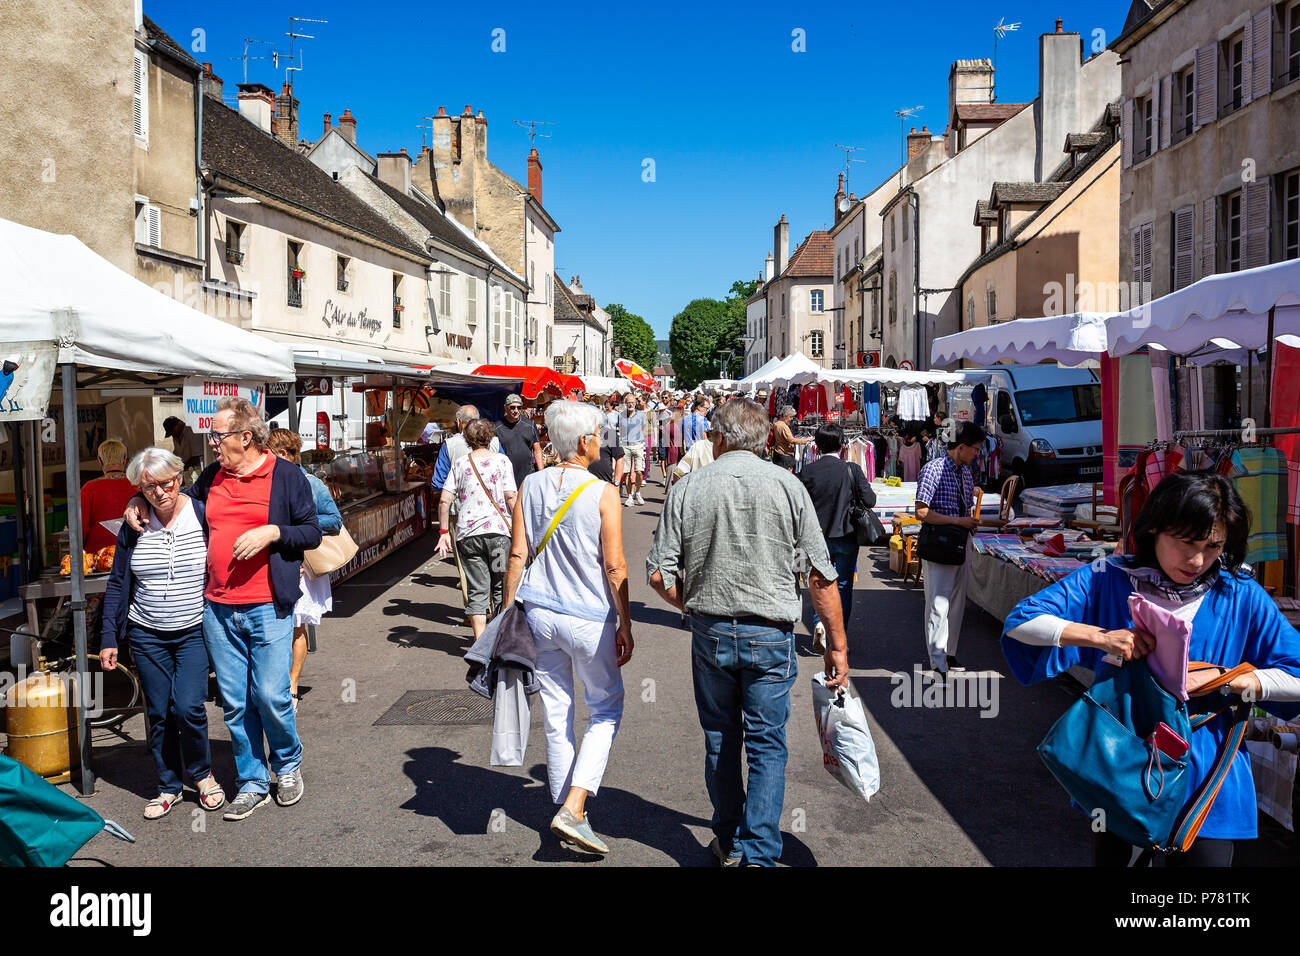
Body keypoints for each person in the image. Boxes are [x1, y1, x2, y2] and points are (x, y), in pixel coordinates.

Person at [1003, 471, 1300, 867]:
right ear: (1155, 529)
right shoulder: (1109, 577)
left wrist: (1236, 680)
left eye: (1213, 546)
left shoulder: (1241, 594)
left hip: (1208, 779)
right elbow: (1021, 624)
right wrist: (1099, 637)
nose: (1197, 560)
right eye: (1186, 542)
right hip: (1121, 765)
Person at [647, 399, 849, 867]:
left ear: (718, 438)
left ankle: (728, 840)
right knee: (767, 745)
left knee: (720, 737)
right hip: (771, 633)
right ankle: (759, 854)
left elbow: (659, 574)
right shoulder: (788, 486)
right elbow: (821, 576)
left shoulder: (688, 487)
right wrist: (836, 646)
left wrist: (692, 606)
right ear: (762, 441)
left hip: (711, 630)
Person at [125, 396, 322, 821]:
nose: (211, 441)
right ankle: (251, 781)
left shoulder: (287, 476)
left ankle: (287, 765)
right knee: (234, 701)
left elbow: (311, 532)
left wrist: (272, 532)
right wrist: (138, 501)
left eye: (217, 434)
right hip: (216, 607)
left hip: (268, 604)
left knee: (270, 694)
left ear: (245, 437)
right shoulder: (212, 475)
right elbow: (173, 503)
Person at [502, 400, 633, 855]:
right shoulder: (603, 491)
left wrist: (506, 615)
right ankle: (574, 809)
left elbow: (517, 555)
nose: (600, 438)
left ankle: (562, 805)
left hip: (540, 610)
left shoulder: (530, 485)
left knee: (557, 713)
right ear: (583, 442)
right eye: (597, 432)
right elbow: (615, 566)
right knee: (605, 710)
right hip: (587, 615)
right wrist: (626, 622)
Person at [100, 447, 225, 819]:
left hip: (192, 631)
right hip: (146, 633)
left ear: (180, 478)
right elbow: (118, 583)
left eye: (166, 482)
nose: (159, 492)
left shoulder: (201, 514)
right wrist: (109, 637)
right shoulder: (134, 524)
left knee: (187, 707)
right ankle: (168, 785)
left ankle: (202, 774)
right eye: (148, 486)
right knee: (158, 712)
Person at [267, 429, 343, 713]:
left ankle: (292, 687)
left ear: (284, 455)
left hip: (303, 565)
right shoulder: (266, 482)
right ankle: (275, 685)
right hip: (274, 563)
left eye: (269, 454)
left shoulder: (311, 483)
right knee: (277, 628)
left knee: (296, 627)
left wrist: (300, 527)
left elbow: (334, 521)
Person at [435, 419, 517, 640]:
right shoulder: (502, 461)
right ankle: (501, 639)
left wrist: (444, 533)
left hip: (468, 536)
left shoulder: (461, 463)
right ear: (490, 437)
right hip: (499, 534)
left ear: (467, 439)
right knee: (501, 587)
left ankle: (480, 643)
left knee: (477, 590)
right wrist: (520, 528)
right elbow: (511, 497)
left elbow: (444, 500)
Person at [914, 421, 985, 676]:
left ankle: (949, 653)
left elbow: (963, 507)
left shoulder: (965, 471)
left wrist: (968, 523)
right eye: (975, 449)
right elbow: (921, 512)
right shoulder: (933, 470)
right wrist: (959, 521)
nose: (977, 454)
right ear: (962, 447)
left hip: (961, 541)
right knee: (937, 603)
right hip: (939, 544)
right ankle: (937, 660)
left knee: (956, 603)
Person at [799, 423, 876, 653]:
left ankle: (819, 624)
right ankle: (838, 634)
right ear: (843, 445)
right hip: (846, 535)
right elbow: (870, 500)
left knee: (819, 584)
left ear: (817, 445)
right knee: (842, 585)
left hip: (816, 538)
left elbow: (799, 507)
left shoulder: (807, 472)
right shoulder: (852, 469)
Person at [81, 438, 137, 552]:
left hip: (98, 554)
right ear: (124, 460)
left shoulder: (89, 488)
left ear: (100, 461)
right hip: (132, 550)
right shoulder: (138, 486)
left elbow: (81, 528)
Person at [430, 404, 499, 491]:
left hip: (459, 502)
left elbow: (438, 483)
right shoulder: (494, 441)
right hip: (491, 502)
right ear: (478, 420)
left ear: (458, 421)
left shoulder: (449, 444)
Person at [495, 393, 543, 489]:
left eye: (519, 407)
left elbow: (537, 450)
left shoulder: (530, 424)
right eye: (512, 407)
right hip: (507, 476)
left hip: (528, 474)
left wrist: (542, 473)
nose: (516, 411)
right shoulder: (497, 427)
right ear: (505, 407)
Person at [618, 391, 648, 507]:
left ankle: (638, 492)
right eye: (628, 402)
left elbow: (644, 429)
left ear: (635, 403)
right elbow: (619, 429)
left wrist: (641, 442)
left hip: (638, 445)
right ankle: (630, 496)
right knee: (625, 473)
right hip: (625, 445)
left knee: (639, 472)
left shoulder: (641, 415)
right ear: (625, 403)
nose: (630, 404)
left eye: (632, 402)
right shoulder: (621, 416)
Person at [770, 405, 809, 472]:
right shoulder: (784, 426)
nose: (791, 419)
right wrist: (806, 440)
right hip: (784, 454)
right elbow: (791, 439)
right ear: (785, 415)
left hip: (778, 452)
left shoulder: (776, 424)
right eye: (790, 417)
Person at [599, 396, 626, 487]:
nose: (606, 407)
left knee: (616, 456)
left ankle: (615, 473)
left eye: (607, 406)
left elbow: (621, 425)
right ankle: (612, 471)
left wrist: (618, 430)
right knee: (609, 457)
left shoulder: (617, 414)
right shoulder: (602, 414)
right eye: (605, 406)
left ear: (611, 406)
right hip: (605, 436)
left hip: (614, 435)